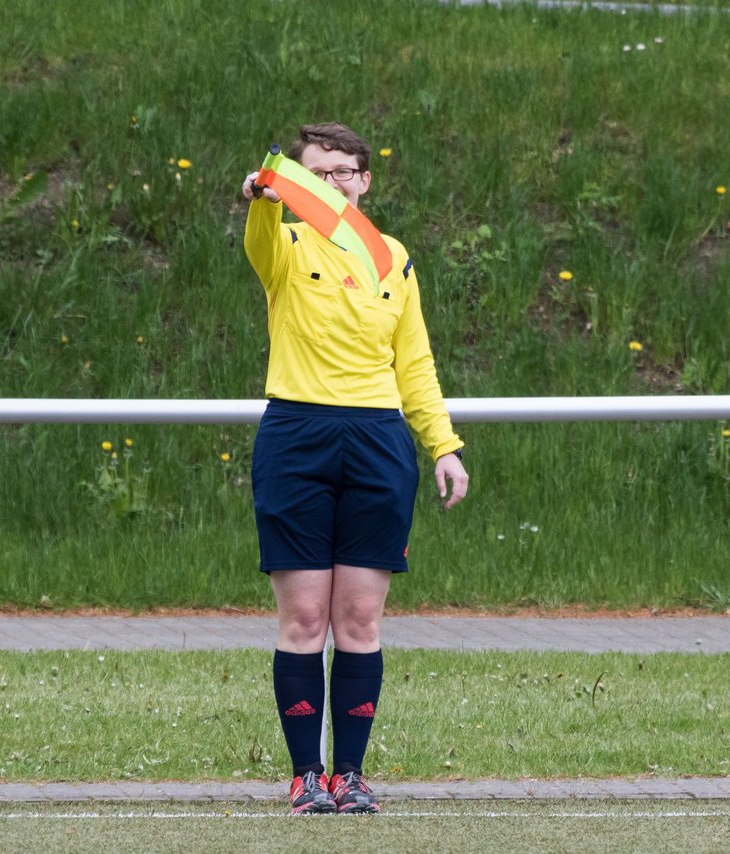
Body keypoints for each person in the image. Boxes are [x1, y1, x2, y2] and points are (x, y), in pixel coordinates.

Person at [240, 122, 468, 815]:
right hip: (297, 434)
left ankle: (352, 775)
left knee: (360, 618)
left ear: (365, 181)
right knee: (305, 617)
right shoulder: (284, 239)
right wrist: (260, 196)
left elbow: (415, 364)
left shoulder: (392, 257)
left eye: (344, 172)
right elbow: (259, 236)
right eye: (318, 173)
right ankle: (306, 775)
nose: (333, 184)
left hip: (377, 438)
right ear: (300, 181)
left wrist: (444, 445)